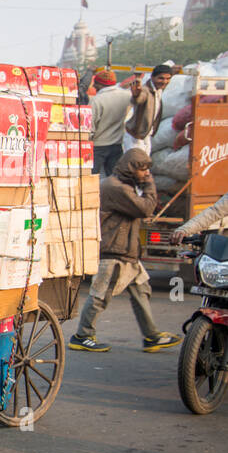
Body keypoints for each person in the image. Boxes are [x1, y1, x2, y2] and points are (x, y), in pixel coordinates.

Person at [70, 148, 181, 353]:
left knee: (141, 291)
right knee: (101, 295)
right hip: (114, 252)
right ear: (131, 169)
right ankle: (83, 335)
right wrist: (149, 185)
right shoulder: (116, 188)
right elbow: (146, 208)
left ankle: (152, 336)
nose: (146, 174)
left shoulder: (123, 185)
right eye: (143, 170)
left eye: (148, 170)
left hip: (126, 253)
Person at [124, 63, 175, 153]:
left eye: (168, 79)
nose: (164, 81)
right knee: (135, 163)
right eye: (161, 78)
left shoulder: (158, 90)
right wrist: (136, 95)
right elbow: (139, 99)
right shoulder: (145, 90)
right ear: (152, 77)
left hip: (146, 135)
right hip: (136, 136)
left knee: (143, 163)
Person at [89, 68, 129, 177]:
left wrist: (87, 141)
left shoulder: (97, 100)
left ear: (99, 84)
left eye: (95, 84)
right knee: (114, 177)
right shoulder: (126, 96)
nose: (93, 87)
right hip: (117, 144)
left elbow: (90, 125)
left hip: (98, 145)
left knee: (92, 178)